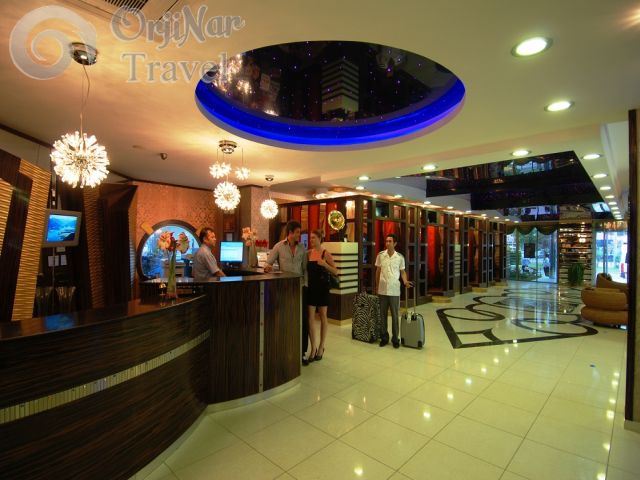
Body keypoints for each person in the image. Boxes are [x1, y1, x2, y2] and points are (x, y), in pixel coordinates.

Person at [264, 221, 309, 363]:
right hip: (284, 290)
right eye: (297, 232)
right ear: (290, 233)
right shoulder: (278, 246)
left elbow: (305, 268)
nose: (299, 235)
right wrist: (268, 267)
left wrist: (305, 285)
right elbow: (268, 263)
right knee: (285, 320)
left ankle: (302, 352)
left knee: (302, 321)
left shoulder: (302, 248)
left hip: (299, 288)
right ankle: (285, 350)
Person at [306, 229, 339, 362]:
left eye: (313, 237)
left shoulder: (326, 254)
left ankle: (321, 346)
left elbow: (335, 271)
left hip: (323, 289)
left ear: (320, 239)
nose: (311, 240)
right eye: (310, 238)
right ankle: (313, 348)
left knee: (323, 316)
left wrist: (324, 264)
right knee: (310, 318)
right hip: (311, 289)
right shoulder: (308, 253)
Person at [375, 233, 412, 349]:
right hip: (382, 289)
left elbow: (402, 272)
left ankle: (395, 339)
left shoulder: (400, 257)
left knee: (395, 316)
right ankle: (384, 337)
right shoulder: (381, 255)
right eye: (386, 241)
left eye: (390, 241)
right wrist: (377, 286)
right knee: (382, 315)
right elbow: (378, 271)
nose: (387, 243)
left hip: (394, 290)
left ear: (395, 243)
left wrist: (405, 281)